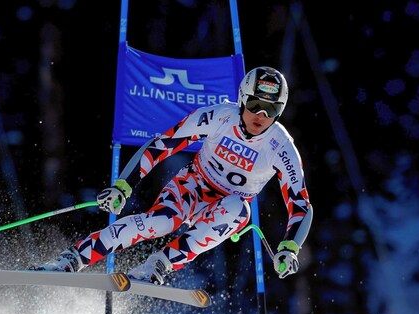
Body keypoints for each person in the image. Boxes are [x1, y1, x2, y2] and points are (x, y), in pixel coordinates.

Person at [31, 66, 313, 284]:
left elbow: (300, 204)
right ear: (242, 99)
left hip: (226, 206)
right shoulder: (218, 117)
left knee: (239, 210)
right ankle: (73, 258)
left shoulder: (281, 147)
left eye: (271, 109)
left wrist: (289, 247)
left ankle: (158, 264)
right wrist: (123, 186)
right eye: (254, 105)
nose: (261, 115)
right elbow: (163, 143)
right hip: (193, 184)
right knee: (161, 222)